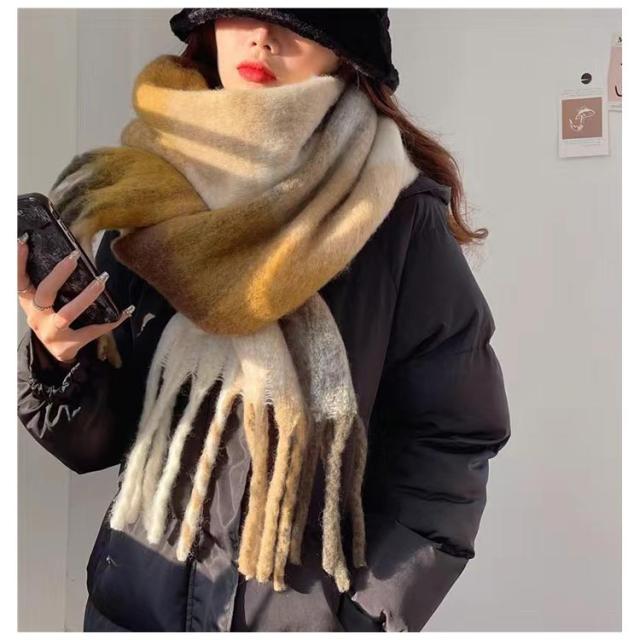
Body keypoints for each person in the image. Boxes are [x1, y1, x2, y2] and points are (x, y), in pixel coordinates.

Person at [17, 8, 511, 633]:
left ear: (345, 52)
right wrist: (60, 360)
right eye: (241, 12)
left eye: (298, 20)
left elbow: (452, 439)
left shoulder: (396, 219)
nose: (262, 37)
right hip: (132, 609)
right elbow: (99, 442)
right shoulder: (149, 195)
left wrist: (364, 615)